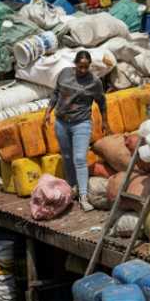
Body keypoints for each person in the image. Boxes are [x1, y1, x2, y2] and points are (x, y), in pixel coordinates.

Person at [43, 50, 110, 211]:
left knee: (79, 158)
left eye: (86, 67)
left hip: (82, 123)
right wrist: (48, 112)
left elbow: (101, 102)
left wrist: (105, 121)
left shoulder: (94, 82)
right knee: (67, 157)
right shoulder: (64, 74)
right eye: (80, 66)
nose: (83, 70)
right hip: (62, 123)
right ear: (75, 64)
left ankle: (84, 197)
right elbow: (56, 94)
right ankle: (72, 188)